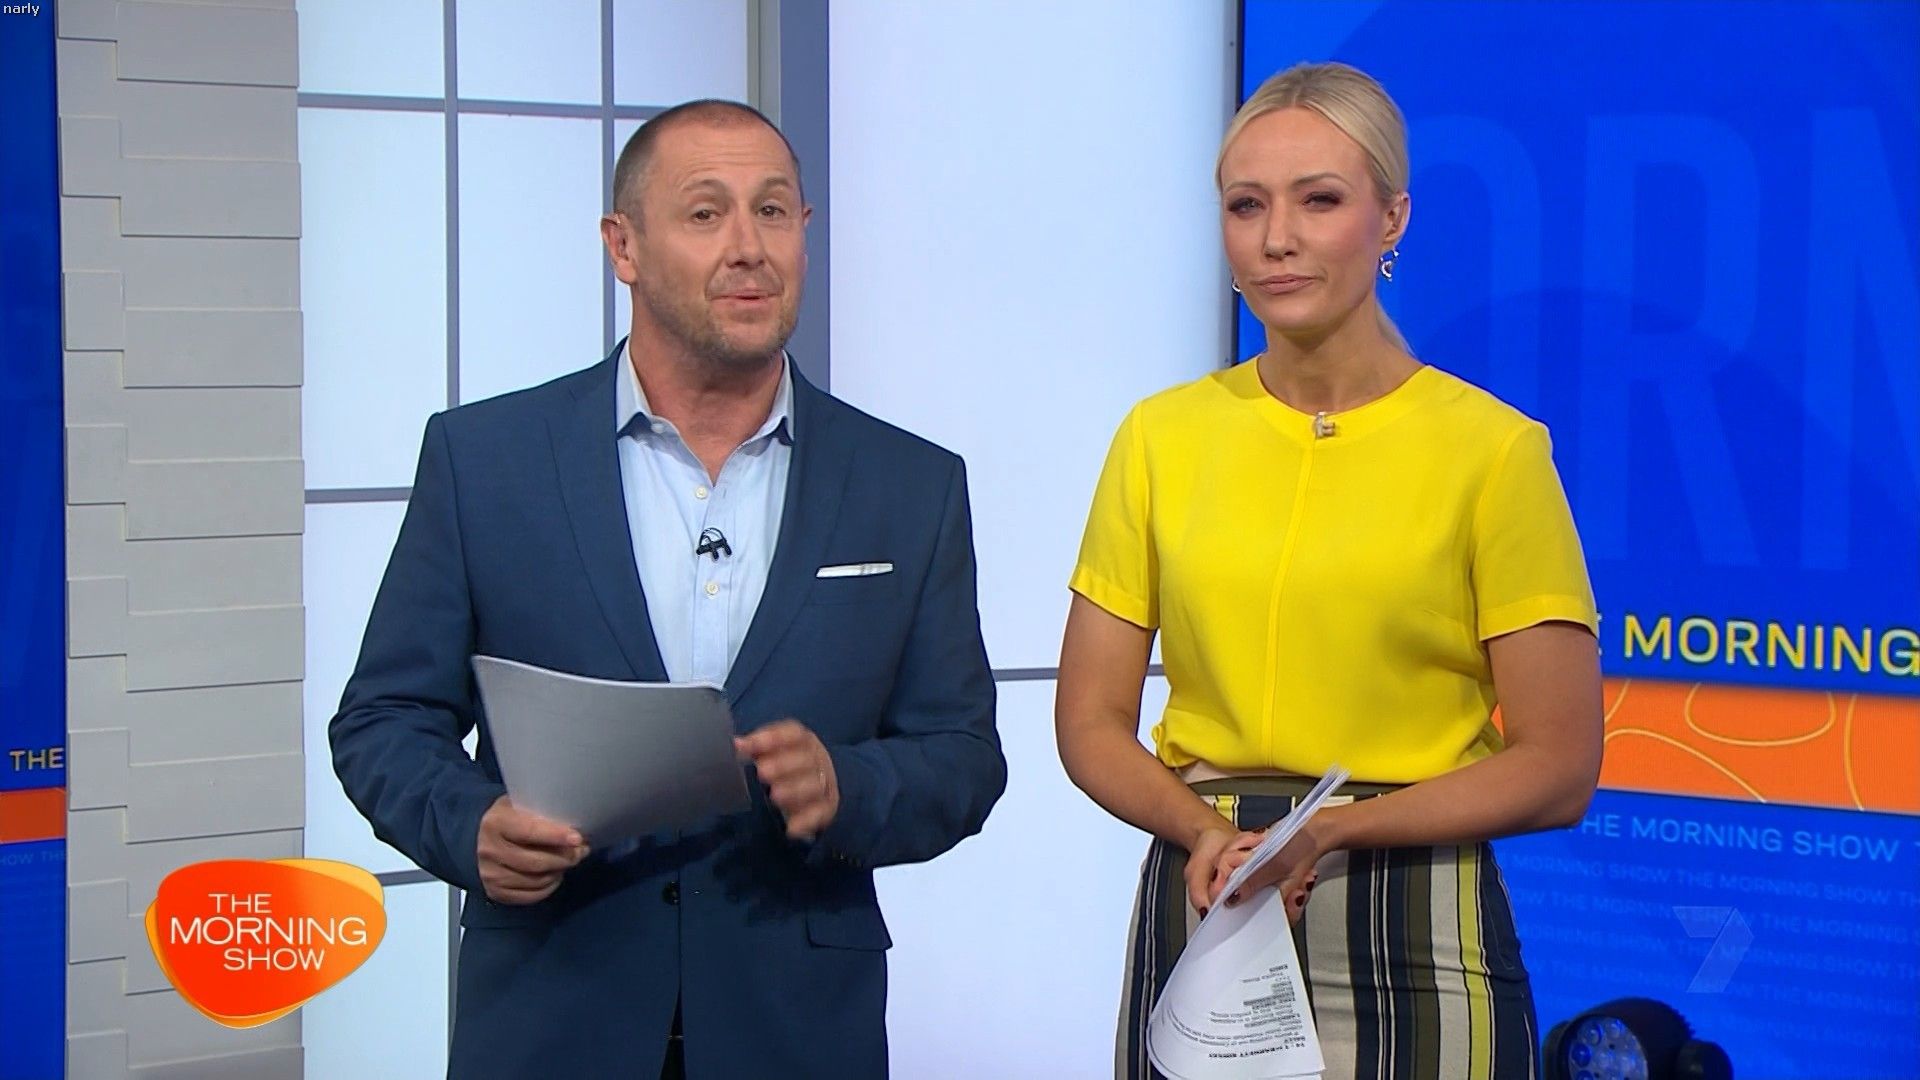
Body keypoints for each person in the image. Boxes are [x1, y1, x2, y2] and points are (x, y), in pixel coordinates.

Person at [330, 99, 1006, 1080]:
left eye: (772, 212)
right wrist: (471, 825)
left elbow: (963, 754)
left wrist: (848, 786)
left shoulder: (908, 483)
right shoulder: (487, 462)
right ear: (624, 247)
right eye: (705, 213)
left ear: (805, 233)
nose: (748, 247)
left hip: (795, 1028)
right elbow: (384, 718)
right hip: (553, 1014)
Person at [1055, 62, 1602, 1079]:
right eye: (1246, 206)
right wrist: (1200, 831)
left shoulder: (1493, 451)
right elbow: (1089, 722)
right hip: (1210, 893)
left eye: (1319, 200)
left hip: (1416, 915)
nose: (1277, 238)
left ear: (1391, 218)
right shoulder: (1160, 438)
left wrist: (1332, 833)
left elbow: (1559, 764)